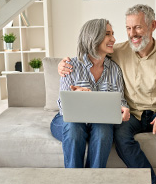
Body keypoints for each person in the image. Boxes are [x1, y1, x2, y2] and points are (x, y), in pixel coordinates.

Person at [58, 5, 156, 184]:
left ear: (152, 25)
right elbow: (92, 53)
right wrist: (62, 66)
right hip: (134, 115)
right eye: (128, 28)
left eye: (137, 27)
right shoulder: (115, 52)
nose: (131, 34)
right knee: (114, 133)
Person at [50, 18, 130, 169]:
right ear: (94, 37)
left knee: (104, 130)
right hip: (68, 121)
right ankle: (74, 182)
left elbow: (120, 101)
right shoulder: (71, 66)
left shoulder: (114, 69)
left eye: (112, 34)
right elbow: (63, 107)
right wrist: (77, 97)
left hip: (99, 122)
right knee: (74, 127)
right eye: (108, 34)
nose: (113, 38)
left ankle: (94, 181)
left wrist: (124, 109)